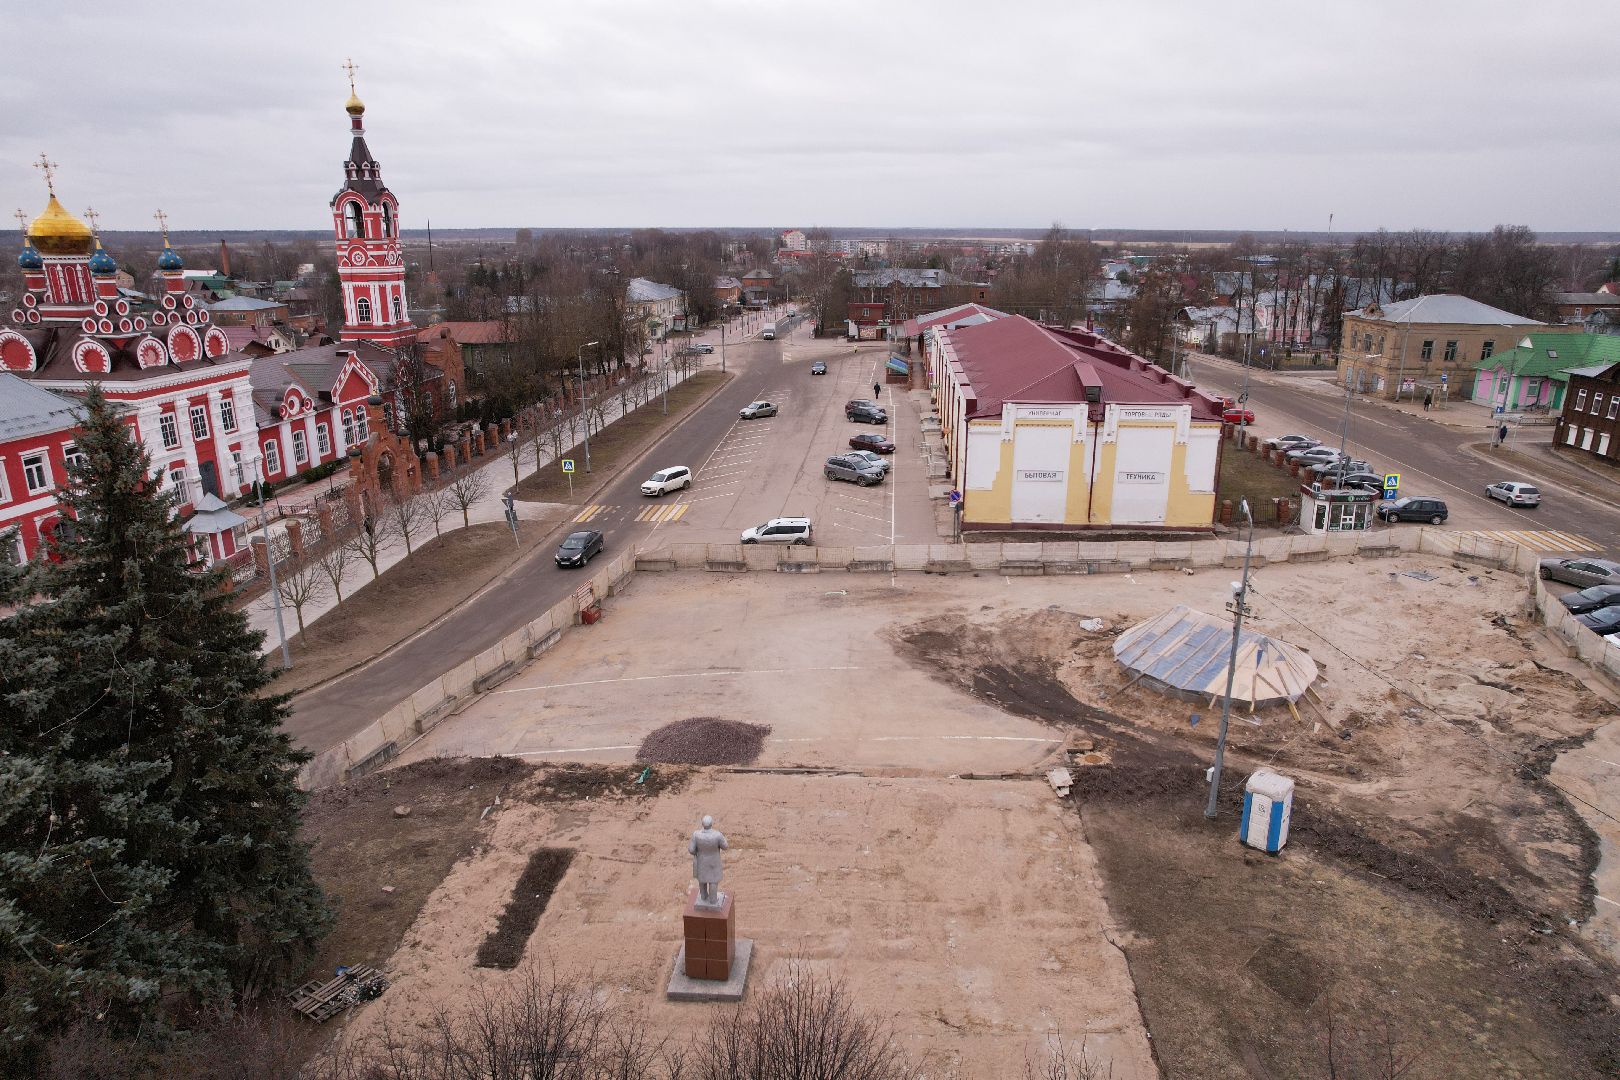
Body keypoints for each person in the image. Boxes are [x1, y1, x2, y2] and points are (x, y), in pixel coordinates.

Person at [688, 815, 729, 907]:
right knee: (713, 881)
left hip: (701, 860)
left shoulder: (696, 834)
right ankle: (713, 900)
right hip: (714, 862)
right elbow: (725, 846)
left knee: (702, 880)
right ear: (711, 824)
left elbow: (691, 849)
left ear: (702, 824)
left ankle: (703, 896)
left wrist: (698, 853)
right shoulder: (717, 835)